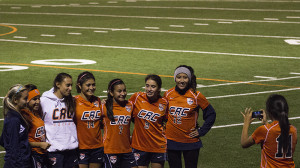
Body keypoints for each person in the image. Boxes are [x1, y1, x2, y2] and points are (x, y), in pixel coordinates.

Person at [164, 65, 216, 168]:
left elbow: (211, 114)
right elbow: (162, 114)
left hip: (190, 142)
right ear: (175, 78)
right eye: (179, 77)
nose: (182, 80)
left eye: (185, 77)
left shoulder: (196, 95)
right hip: (171, 141)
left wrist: (201, 131)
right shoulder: (167, 94)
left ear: (189, 78)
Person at [241, 94, 297, 168]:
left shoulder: (264, 130)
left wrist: (246, 123)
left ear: (269, 112)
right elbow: (275, 137)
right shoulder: (293, 130)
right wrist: (266, 123)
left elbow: (244, 143)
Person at [40, 72, 78, 168]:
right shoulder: (44, 101)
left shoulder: (72, 101)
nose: (70, 88)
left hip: (71, 149)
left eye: (71, 85)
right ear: (58, 84)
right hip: (54, 151)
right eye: (67, 85)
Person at [129, 74, 168, 168]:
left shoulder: (164, 102)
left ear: (159, 88)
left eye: (153, 86)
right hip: (139, 145)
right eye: (147, 85)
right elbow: (124, 110)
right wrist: (108, 102)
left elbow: (168, 121)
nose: (149, 89)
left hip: (158, 145)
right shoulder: (137, 97)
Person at [101, 79, 137, 168]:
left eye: (124, 90)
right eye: (119, 91)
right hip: (110, 150)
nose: (123, 93)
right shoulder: (103, 106)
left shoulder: (130, 105)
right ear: (111, 93)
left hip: (127, 149)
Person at [74, 71, 104, 168]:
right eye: (88, 85)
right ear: (79, 85)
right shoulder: (74, 101)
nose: (91, 88)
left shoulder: (98, 100)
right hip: (81, 147)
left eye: (93, 85)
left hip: (97, 146)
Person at [0, 84, 31, 168]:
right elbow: (14, 148)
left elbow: (3, 140)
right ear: (15, 100)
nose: (27, 101)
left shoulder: (13, 116)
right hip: (17, 164)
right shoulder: (14, 120)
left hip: (18, 162)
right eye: (25, 99)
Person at [22, 84, 51, 168]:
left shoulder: (37, 113)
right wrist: (39, 144)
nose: (38, 102)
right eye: (34, 99)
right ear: (27, 100)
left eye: (39, 98)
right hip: (33, 154)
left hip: (42, 153)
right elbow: (21, 141)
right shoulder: (24, 116)